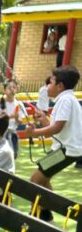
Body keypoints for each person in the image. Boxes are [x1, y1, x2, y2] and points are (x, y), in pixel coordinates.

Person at [21, 65, 82, 220]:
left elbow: (56, 128)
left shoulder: (65, 100)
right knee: (43, 180)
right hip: (66, 150)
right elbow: (54, 129)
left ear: (60, 86)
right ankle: (46, 215)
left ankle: (39, 216)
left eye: (51, 82)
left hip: (66, 151)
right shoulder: (67, 99)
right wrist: (43, 120)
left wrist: (34, 133)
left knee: (35, 180)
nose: (48, 86)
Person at [0, 79, 26, 159]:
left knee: (13, 155)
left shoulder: (19, 104)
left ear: (17, 89)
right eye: (9, 88)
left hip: (13, 133)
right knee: (2, 155)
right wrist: (11, 116)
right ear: (4, 90)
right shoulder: (1, 104)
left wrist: (17, 118)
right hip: (2, 134)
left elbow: (21, 121)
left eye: (14, 87)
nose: (12, 90)